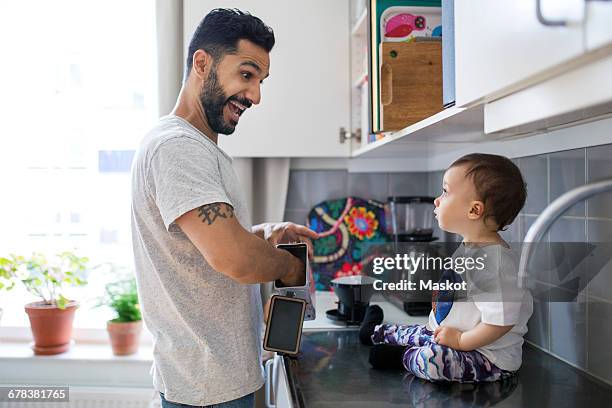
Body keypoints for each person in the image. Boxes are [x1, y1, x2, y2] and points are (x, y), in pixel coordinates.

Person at [130, 9, 318, 407]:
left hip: (213, 379)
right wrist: (289, 266)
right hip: (207, 387)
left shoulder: (194, 147)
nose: (256, 95)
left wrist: (261, 235)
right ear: (203, 63)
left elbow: (197, 250)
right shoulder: (177, 148)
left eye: (260, 81)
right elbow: (234, 260)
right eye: (246, 75)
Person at [360, 153, 533, 383]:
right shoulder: (469, 248)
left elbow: (500, 323)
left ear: (474, 210)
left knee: (434, 360)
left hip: (487, 358)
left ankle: (403, 356)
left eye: (445, 192)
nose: (437, 200)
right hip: (453, 338)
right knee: (418, 331)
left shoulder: (495, 263)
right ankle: (374, 332)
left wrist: (461, 341)